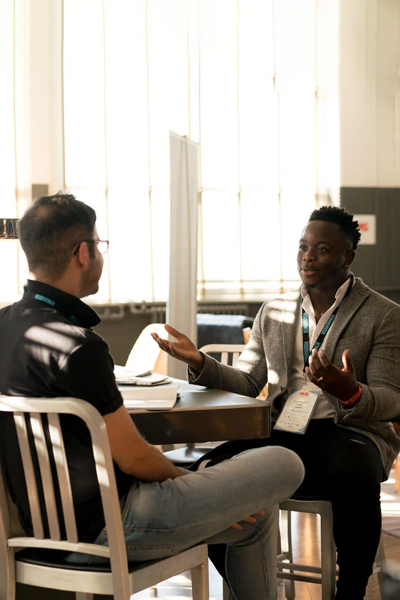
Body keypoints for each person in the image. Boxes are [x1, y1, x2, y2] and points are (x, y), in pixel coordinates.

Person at [0, 193, 305, 600]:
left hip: (38, 530)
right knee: (284, 461)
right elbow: (136, 458)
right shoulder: (80, 346)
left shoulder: (5, 324)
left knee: (255, 518)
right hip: (111, 528)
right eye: (99, 244)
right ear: (82, 254)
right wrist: (192, 484)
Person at [152, 206, 400, 600]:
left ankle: (350, 590)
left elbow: (391, 399)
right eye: (303, 247)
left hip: (350, 433)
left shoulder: (383, 315)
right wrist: (200, 361)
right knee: (211, 469)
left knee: (354, 470)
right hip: (285, 430)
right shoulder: (275, 310)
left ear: (347, 257)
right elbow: (249, 383)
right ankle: (247, 587)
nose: (308, 256)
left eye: (321, 249)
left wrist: (347, 390)